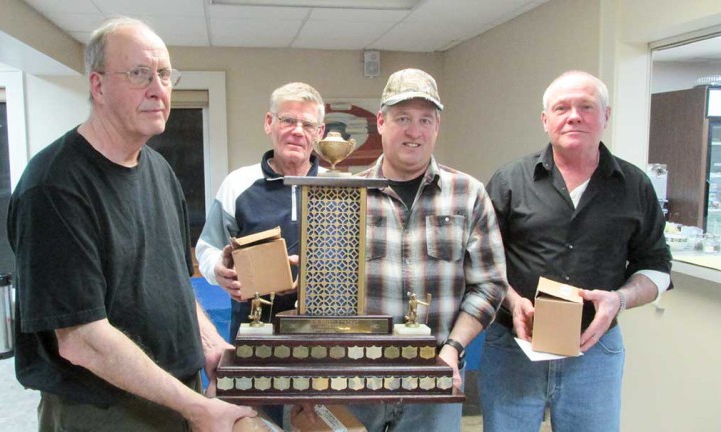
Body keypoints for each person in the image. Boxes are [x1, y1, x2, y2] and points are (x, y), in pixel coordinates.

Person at [6, 17, 255, 432]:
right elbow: (82, 339)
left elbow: (174, 284)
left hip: (177, 394)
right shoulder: (53, 187)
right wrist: (195, 408)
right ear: (98, 85)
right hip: (105, 411)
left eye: (164, 74)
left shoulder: (159, 170)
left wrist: (210, 345)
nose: (158, 89)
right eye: (140, 74)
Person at [479, 70, 672, 432]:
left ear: (605, 116)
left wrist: (620, 299)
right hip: (514, 350)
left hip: (594, 354)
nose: (574, 116)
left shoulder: (635, 186)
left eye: (586, 106)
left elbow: (657, 266)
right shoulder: (509, 181)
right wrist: (512, 301)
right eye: (561, 108)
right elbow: (481, 263)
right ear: (545, 120)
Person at [349, 68, 509, 432]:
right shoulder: (347, 195)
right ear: (381, 122)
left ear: (437, 127)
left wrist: (452, 348)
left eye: (425, 120)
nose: (414, 131)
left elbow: (490, 285)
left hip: (436, 375)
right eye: (403, 118)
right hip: (359, 378)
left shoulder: (468, 194)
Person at [195, 81, 326, 342]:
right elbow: (207, 248)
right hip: (253, 334)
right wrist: (219, 269)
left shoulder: (337, 187)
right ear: (269, 122)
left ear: (320, 132)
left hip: (324, 335)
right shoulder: (237, 184)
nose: (297, 131)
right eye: (288, 120)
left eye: (308, 124)